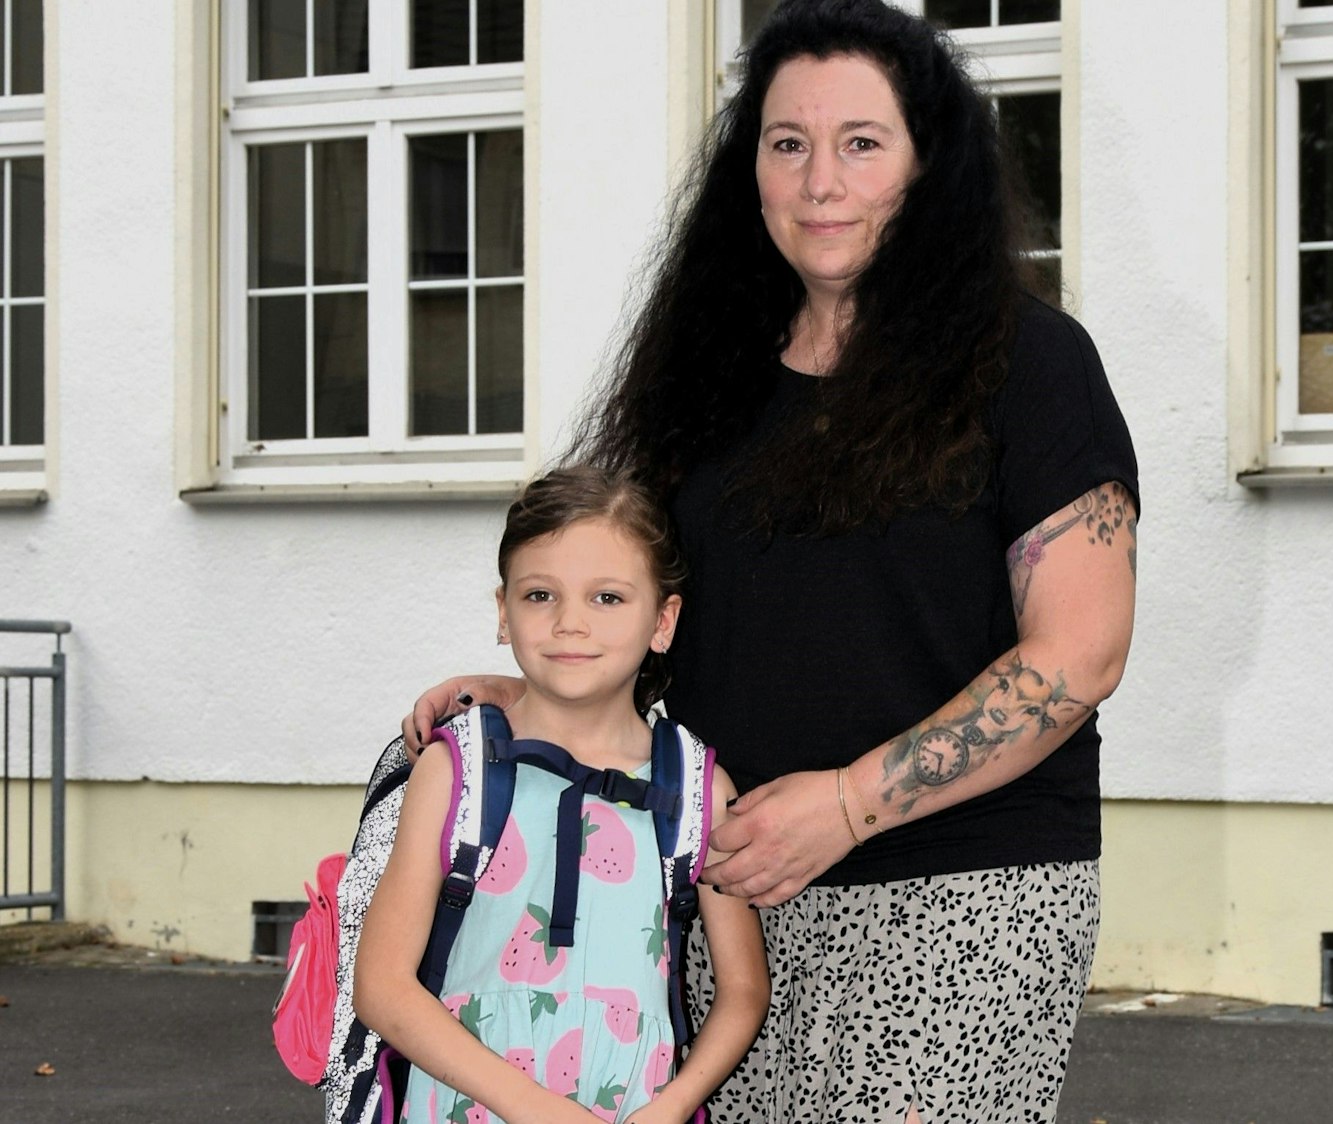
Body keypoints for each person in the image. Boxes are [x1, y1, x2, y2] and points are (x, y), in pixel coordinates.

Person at [406, 0, 1138, 1119]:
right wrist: (544, 692)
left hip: (964, 894)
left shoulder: (1031, 363)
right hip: (724, 888)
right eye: (787, 142)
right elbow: (652, 608)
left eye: (861, 143)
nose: (819, 181)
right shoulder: (705, 368)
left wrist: (846, 803)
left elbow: (1080, 653)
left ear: (928, 164)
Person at [360, 467, 769, 1124]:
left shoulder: (698, 790)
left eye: (607, 597)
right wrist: (536, 1111)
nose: (569, 623)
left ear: (663, 621)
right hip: (468, 1107)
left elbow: (743, 990)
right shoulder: (456, 770)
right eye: (540, 594)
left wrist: (672, 1108)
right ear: (504, 613)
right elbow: (381, 987)